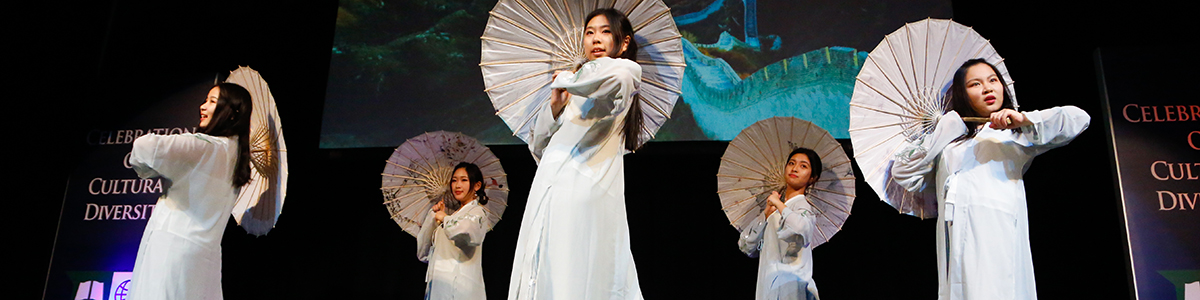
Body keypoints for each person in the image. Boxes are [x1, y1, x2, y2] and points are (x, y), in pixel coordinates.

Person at [891, 58, 1090, 300]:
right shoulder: (949, 139)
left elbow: (1078, 118)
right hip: (955, 229)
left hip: (995, 226)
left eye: (993, 80)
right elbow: (903, 172)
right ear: (962, 94)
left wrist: (1023, 119)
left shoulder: (1014, 133)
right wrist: (942, 133)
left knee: (995, 289)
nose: (987, 88)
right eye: (975, 84)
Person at [508, 7, 645, 300]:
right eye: (590, 32)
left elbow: (614, 77)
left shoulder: (625, 72)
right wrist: (556, 105)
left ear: (623, 43)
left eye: (606, 31)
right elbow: (539, 147)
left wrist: (568, 80)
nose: (596, 39)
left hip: (584, 187)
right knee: (543, 265)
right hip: (550, 184)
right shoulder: (579, 81)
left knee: (575, 272)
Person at [127, 82, 253, 299]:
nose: (203, 107)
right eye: (206, 100)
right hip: (204, 256)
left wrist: (149, 168)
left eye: (212, 102)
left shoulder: (206, 146)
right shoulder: (237, 157)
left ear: (231, 113)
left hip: (172, 246)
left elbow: (145, 146)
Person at [738, 148, 823, 300]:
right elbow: (745, 246)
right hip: (768, 287)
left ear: (812, 178)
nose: (795, 168)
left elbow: (800, 228)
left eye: (803, 166)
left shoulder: (804, 208)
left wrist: (778, 203)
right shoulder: (774, 212)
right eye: (791, 163)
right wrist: (765, 214)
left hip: (792, 289)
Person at [417, 162, 492, 299]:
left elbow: (465, 233)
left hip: (460, 286)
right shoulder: (453, 217)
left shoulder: (478, 212)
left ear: (477, 185)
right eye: (454, 180)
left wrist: (445, 219)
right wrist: (432, 218)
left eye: (464, 180)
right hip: (440, 284)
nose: (457, 185)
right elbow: (423, 253)